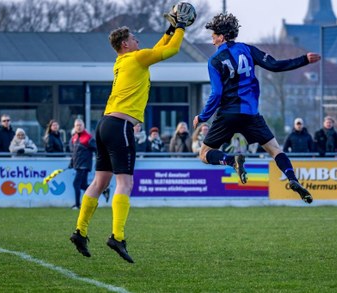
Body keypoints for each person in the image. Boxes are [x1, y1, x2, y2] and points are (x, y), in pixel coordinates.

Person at [69, 3, 191, 264]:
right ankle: (117, 236)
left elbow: (158, 49)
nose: (138, 41)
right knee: (125, 183)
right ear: (125, 44)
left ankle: (80, 231)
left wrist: (170, 28)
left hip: (104, 125)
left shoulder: (121, 60)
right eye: (134, 38)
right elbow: (170, 50)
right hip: (120, 127)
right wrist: (180, 28)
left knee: (99, 182)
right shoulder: (136, 57)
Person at [192, 12, 320, 204]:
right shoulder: (248, 50)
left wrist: (203, 116)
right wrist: (303, 60)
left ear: (221, 36)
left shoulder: (215, 61)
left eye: (213, 36)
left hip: (228, 114)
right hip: (251, 114)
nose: (212, 41)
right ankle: (292, 179)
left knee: (204, 154)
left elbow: (217, 93)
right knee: (275, 149)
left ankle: (230, 160)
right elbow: (275, 65)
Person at [69, 118, 110, 209]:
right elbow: (74, 152)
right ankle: (104, 191)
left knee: (76, 184)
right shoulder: (74, 138)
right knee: (83, 185)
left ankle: (77, 205)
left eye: (80, 125)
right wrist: (71, 162)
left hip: (84, 165)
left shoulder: (88, 138)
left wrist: (99, 161)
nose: (79, 127)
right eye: (77, 125)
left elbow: (97, 150)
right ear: (74, 127)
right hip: (77, 165)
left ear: (84, 126)